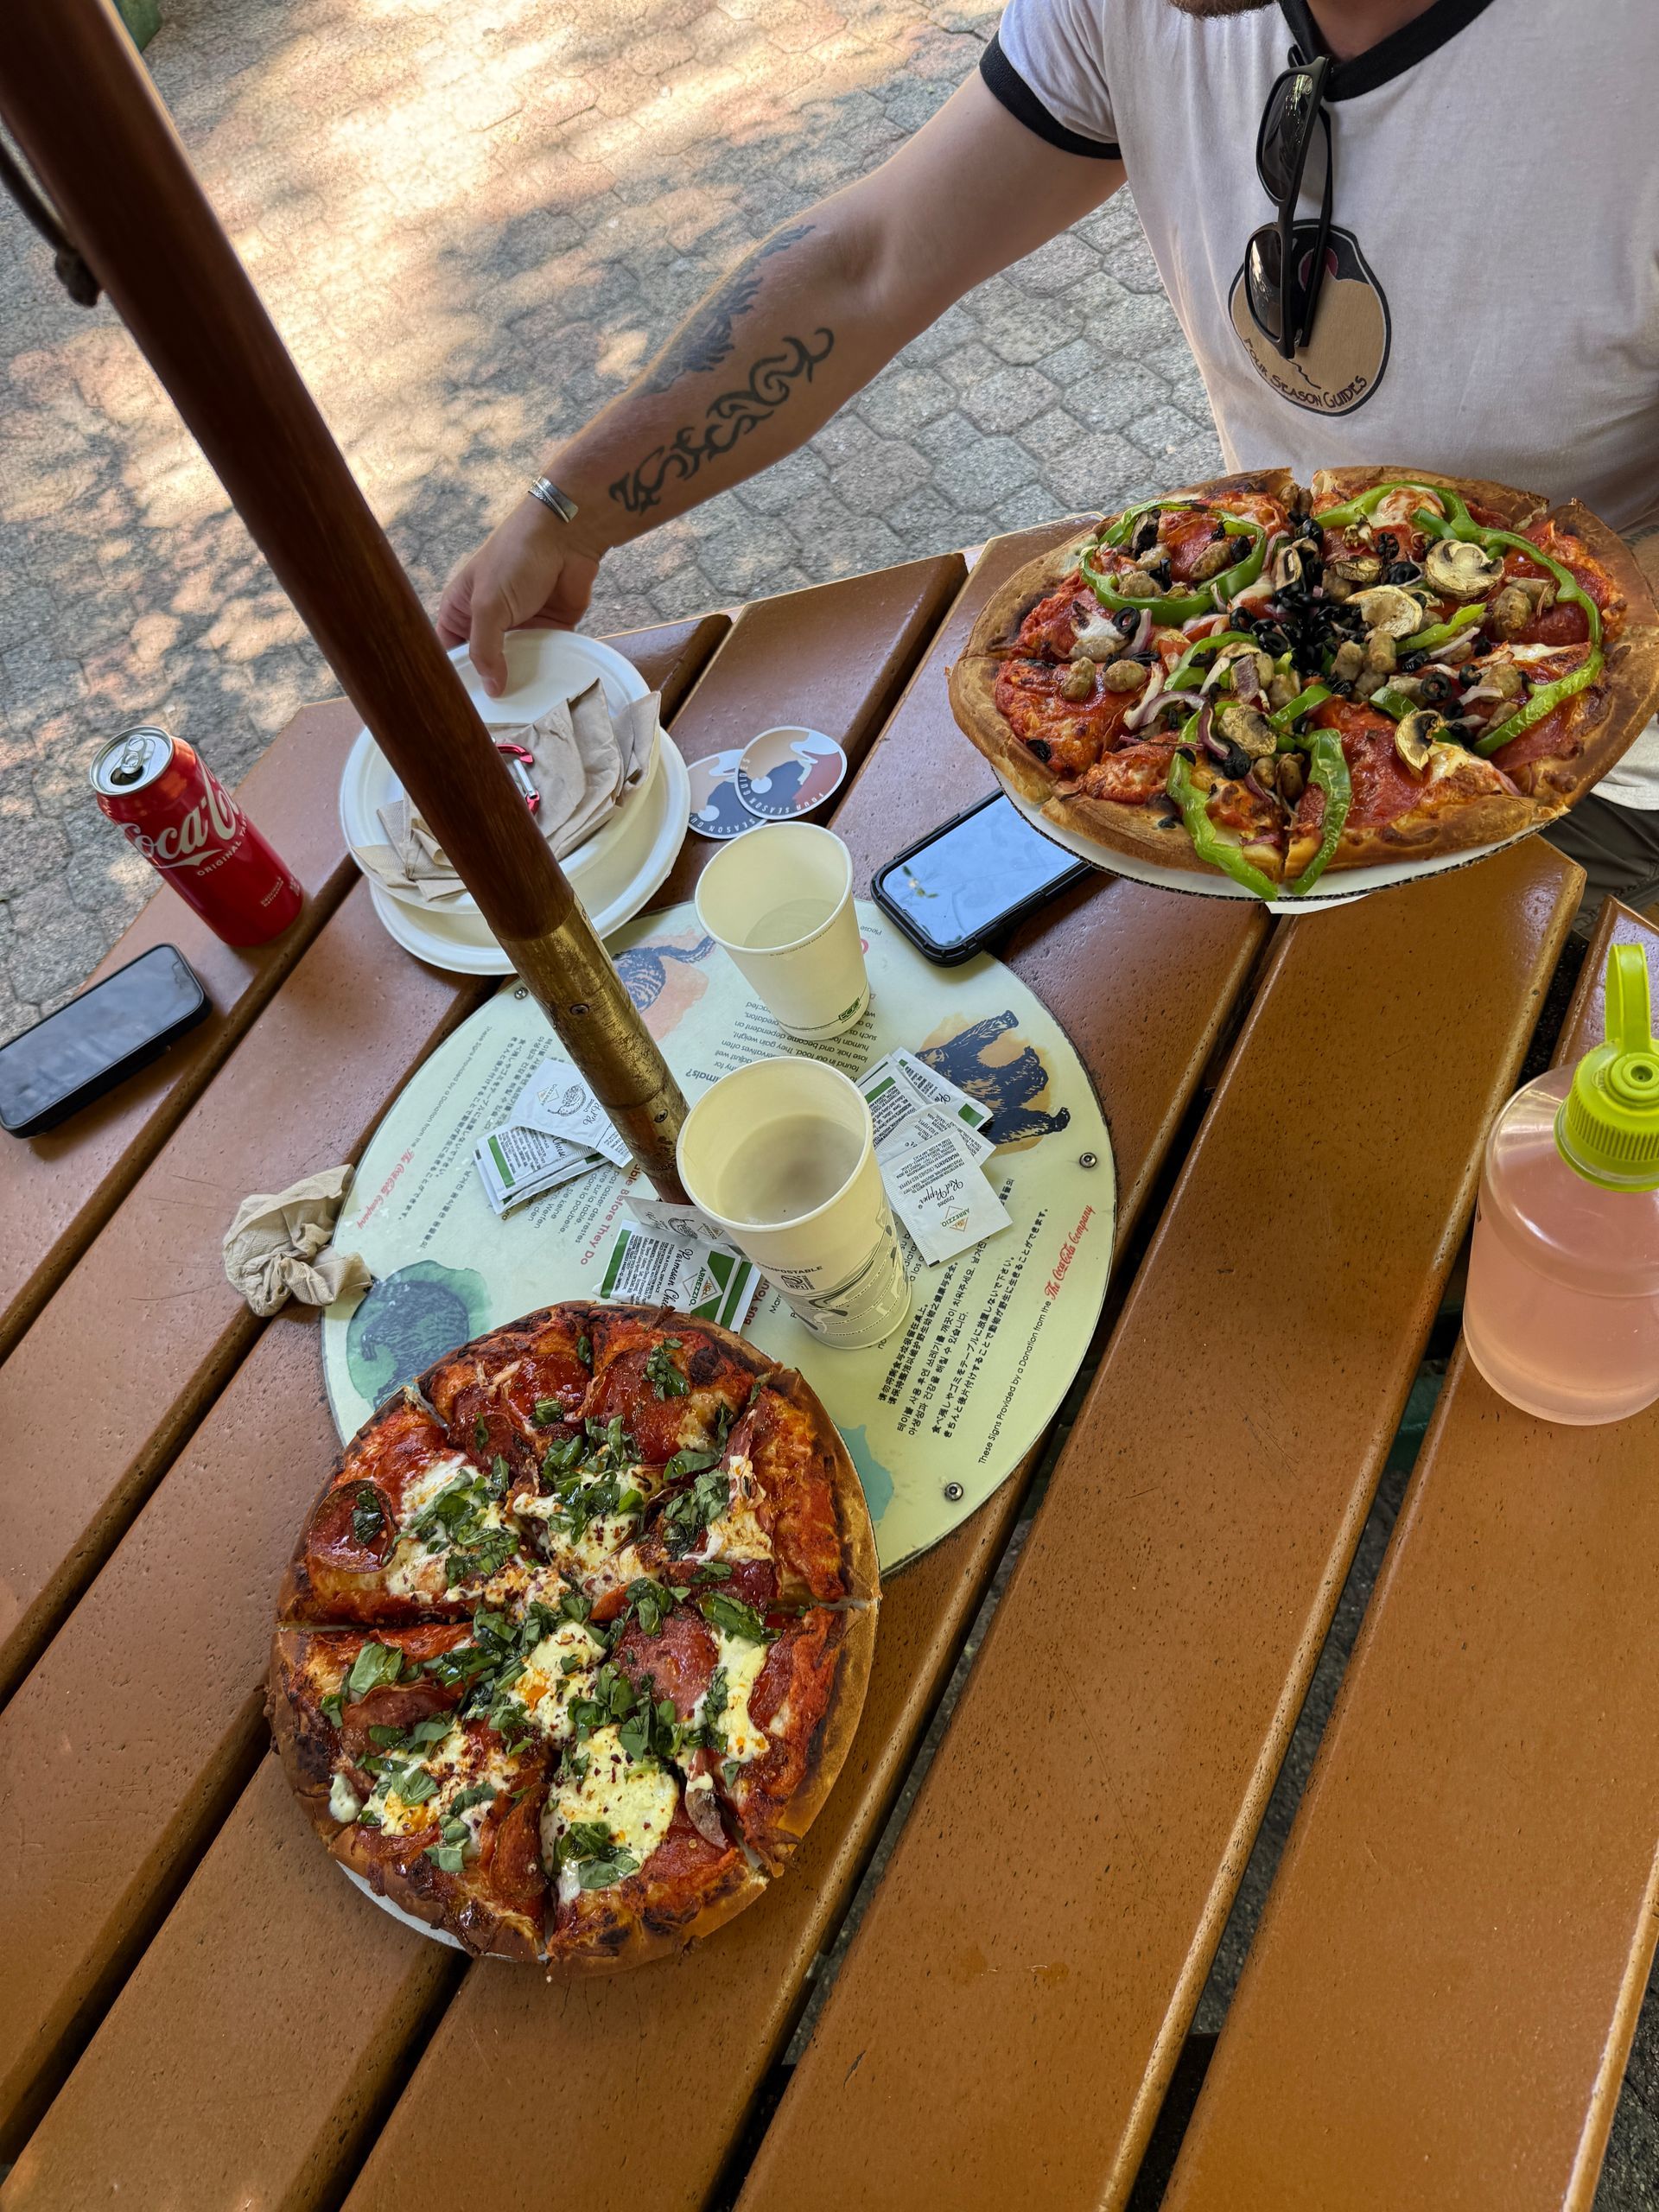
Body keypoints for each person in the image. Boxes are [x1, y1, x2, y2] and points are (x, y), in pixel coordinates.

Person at [437, 0, 1659, 916]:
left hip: (1620, 797)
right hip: (1242, 736)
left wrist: (1516, 681)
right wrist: (574, 505)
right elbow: (871, 262)